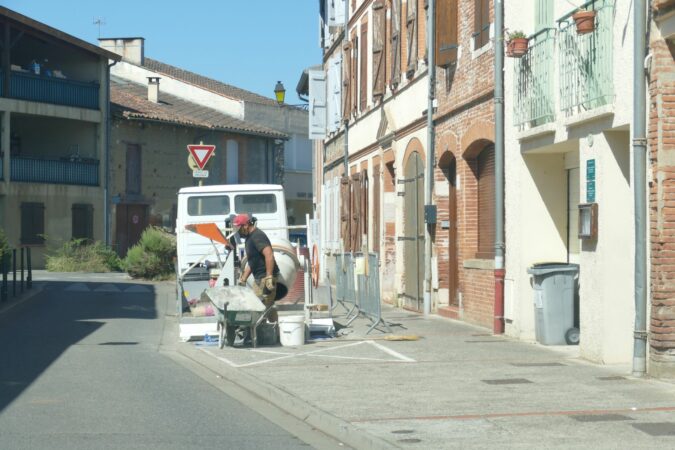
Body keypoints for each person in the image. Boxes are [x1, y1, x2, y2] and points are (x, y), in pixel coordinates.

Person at [233, 213, 279, 322]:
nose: (238, 232)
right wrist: (243, 278)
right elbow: (252, 261)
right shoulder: (249, 238)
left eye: (239, 229)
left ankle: (268, 332)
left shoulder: (257, 235)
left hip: (265, 277)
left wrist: (269, 277)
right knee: (263, 306)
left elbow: (269, 255)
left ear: (246, 225)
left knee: (262, 307)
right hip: (259, 278)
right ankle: (271, 330)